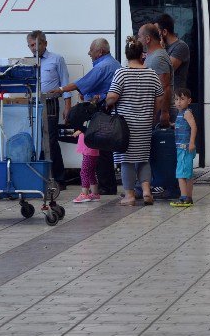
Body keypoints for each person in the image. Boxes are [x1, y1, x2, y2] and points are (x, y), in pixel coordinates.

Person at [49, 38, 120, 195]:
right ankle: (106, 185)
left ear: (100, 51)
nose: (88, 53)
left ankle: (105, 186)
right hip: (109, 111)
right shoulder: (113, 63)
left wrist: (60, 89)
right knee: (105, 150)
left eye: (91, 50)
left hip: (102, 112)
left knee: (100, 149)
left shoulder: (103, 66)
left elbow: (81, 83)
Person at [104, 37, 164, 206]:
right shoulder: (151, 73)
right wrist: (153, 114)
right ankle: (146, 191)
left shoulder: (121, 73)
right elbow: (160, 97)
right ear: (141, 55)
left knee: (126, 159)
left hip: (125, 126)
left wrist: (108, 100)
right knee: (143, 158)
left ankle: (129, 195)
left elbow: (113, 96)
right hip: (145, 123)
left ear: (127, 54)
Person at [26, 31, 70, 190]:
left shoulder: (56, 59)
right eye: (30, 45)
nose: (33, 48)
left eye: (36, 44)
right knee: (35, 140)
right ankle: (40, 177)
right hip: (32, 104)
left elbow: (65, 83)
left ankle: (59, 179)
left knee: (51, 141)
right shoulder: (27, 62)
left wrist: (67, 106)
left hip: (50, 103)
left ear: (45, 43)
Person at [140, 23, 174, 199]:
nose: (138, 39)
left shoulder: (159, 57)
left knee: (160, 152)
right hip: (154, 111)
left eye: (140, 36)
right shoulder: (152, 56)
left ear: (147, 38)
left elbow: (165, 86)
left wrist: (164, 112)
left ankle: (162, 185)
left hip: (160, 112)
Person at [157, 13, 190, 116]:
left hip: (175, 101)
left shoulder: (180, 47)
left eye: (156, 31)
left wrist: (160, 49)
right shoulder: (164, 47)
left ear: (164, 32)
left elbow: (166, 70)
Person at [171, 88, 197, 208]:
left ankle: (183, 198)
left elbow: (194, 127)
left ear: (189, 101)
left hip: (185, 148)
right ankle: (189, 197)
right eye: (176, 99)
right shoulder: (181, 114)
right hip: (183, 148)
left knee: (181, 173)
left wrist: (191, 142)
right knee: (188, 174)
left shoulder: (187, 113)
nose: (179, 102)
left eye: (182, 99)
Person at [72, 130, 100, 203]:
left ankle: (84, 194)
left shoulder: (89, 122)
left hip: (88, 149)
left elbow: (88, 126)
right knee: (91, 172)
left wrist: (79, 131)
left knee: (84, 172)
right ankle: (94, 193)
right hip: (91, 149)